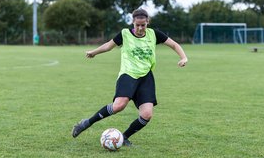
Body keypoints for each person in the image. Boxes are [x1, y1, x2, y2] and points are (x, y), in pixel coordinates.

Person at [72, 8, 188, 146]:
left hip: (146, 77)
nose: (140, 28)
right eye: (137, 25)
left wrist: (183, 57)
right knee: (119, 106)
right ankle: (86, 123)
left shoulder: (154, 34)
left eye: (143, 25)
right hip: (128, 75)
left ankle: (124, 137)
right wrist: (94, 52)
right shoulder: (125, 34)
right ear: (133, 22)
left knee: (147, 114)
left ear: (147, 22)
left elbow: (174, 45)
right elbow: (108, 46)